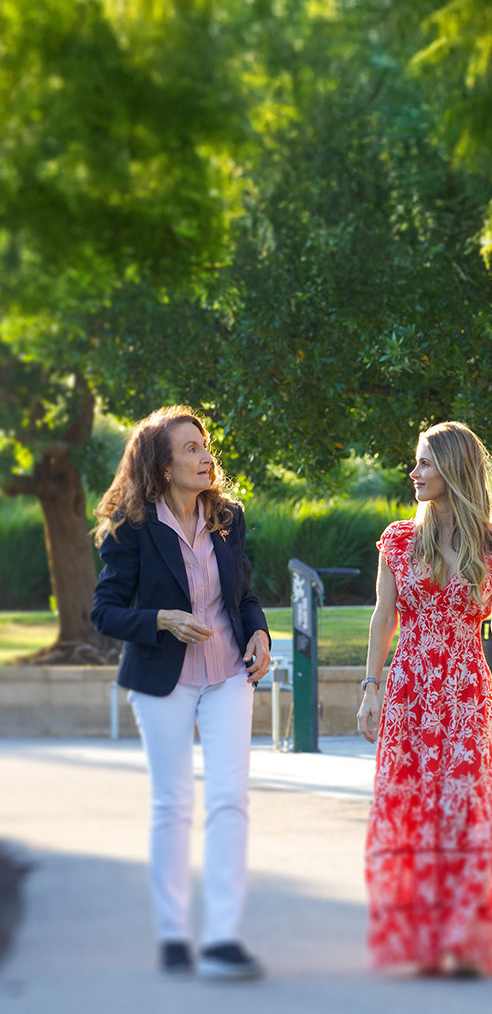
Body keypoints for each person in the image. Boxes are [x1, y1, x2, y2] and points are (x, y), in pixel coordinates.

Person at [357, 420, 492, 977]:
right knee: (414, 809)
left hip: (466, 691)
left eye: (426, 463)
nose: (414, 473)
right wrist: (371, 689)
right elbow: (383, 617)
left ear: (455, 469)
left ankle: (463, 937)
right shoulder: (398, 539)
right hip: (411, 688)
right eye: (415, 462)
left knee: (465, 812)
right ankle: (421, 938)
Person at [91, 405, 270, 980]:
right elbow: (106, 612)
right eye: (190, 448)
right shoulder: (131, 527)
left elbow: (242, 593)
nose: (204, 455)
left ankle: (221, 937)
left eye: (204, 444)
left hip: (227, 678)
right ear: (161, 465)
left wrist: (261, 632)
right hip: (160, 681)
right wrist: (162, 619)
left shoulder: (227, 518)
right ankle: (173, 933)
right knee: (173, 804)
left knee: (229, 800)